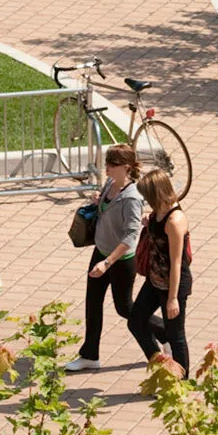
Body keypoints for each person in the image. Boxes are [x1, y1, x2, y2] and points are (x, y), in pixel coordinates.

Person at [77, 144, 147, 371]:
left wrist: (107, 263)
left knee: (125, 308)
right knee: (93, 304)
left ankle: (165, 334)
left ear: (126, 167)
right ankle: (89, 355)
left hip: (120, 261)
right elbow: (107, 208)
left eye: (112, 164)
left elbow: (131, 235)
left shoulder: (133, 198)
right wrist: (99, 200)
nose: (106, 167)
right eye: (107, 162)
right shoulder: (109, 184)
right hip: (101, 251)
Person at [131, 169, 194, 376]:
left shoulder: (175, 221)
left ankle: (182, 380)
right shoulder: (159, 210)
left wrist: (173, 298)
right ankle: (160, 365)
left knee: (176, 334)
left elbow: (176, 262)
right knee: (136, 321)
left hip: (172, 283)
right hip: (155, 278)